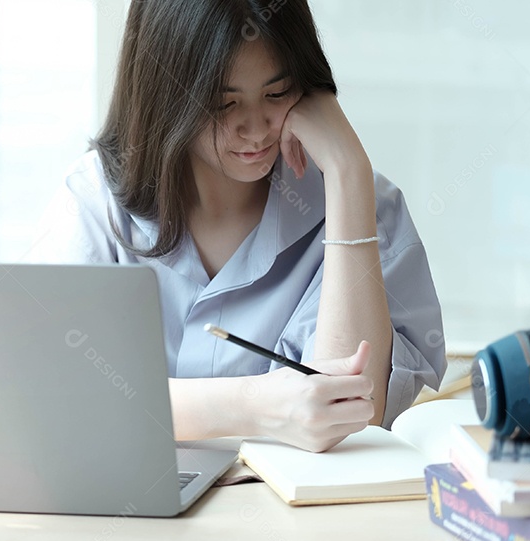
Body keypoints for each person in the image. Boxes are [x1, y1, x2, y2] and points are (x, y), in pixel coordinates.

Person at [28, 0, 446, 452]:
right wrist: (252, 405)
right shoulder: (94, 201)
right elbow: (55, 395)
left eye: (277, 93)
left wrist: (347, 170)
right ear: (165, 97)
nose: (256, 128)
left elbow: (348, 414)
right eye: (223, 103)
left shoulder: (363, 206)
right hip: (126, 516)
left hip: (297, 519)